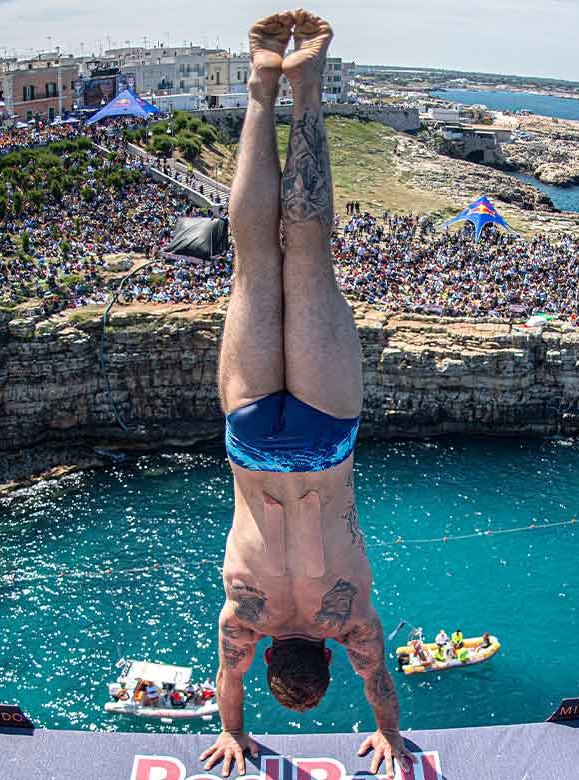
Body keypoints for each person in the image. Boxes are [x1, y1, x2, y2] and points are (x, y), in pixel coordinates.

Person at [202, 10, 406, 778]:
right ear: (265, 661)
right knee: (256, 264)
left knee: (307, 257)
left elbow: (382, 688)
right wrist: (234, 732)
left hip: (324, 438)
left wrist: (387, 734)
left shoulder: (349, 618)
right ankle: (260, 84)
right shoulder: (240, 621)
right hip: (252, 439)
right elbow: (227, 686)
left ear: (326, 658)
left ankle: (306, 87)